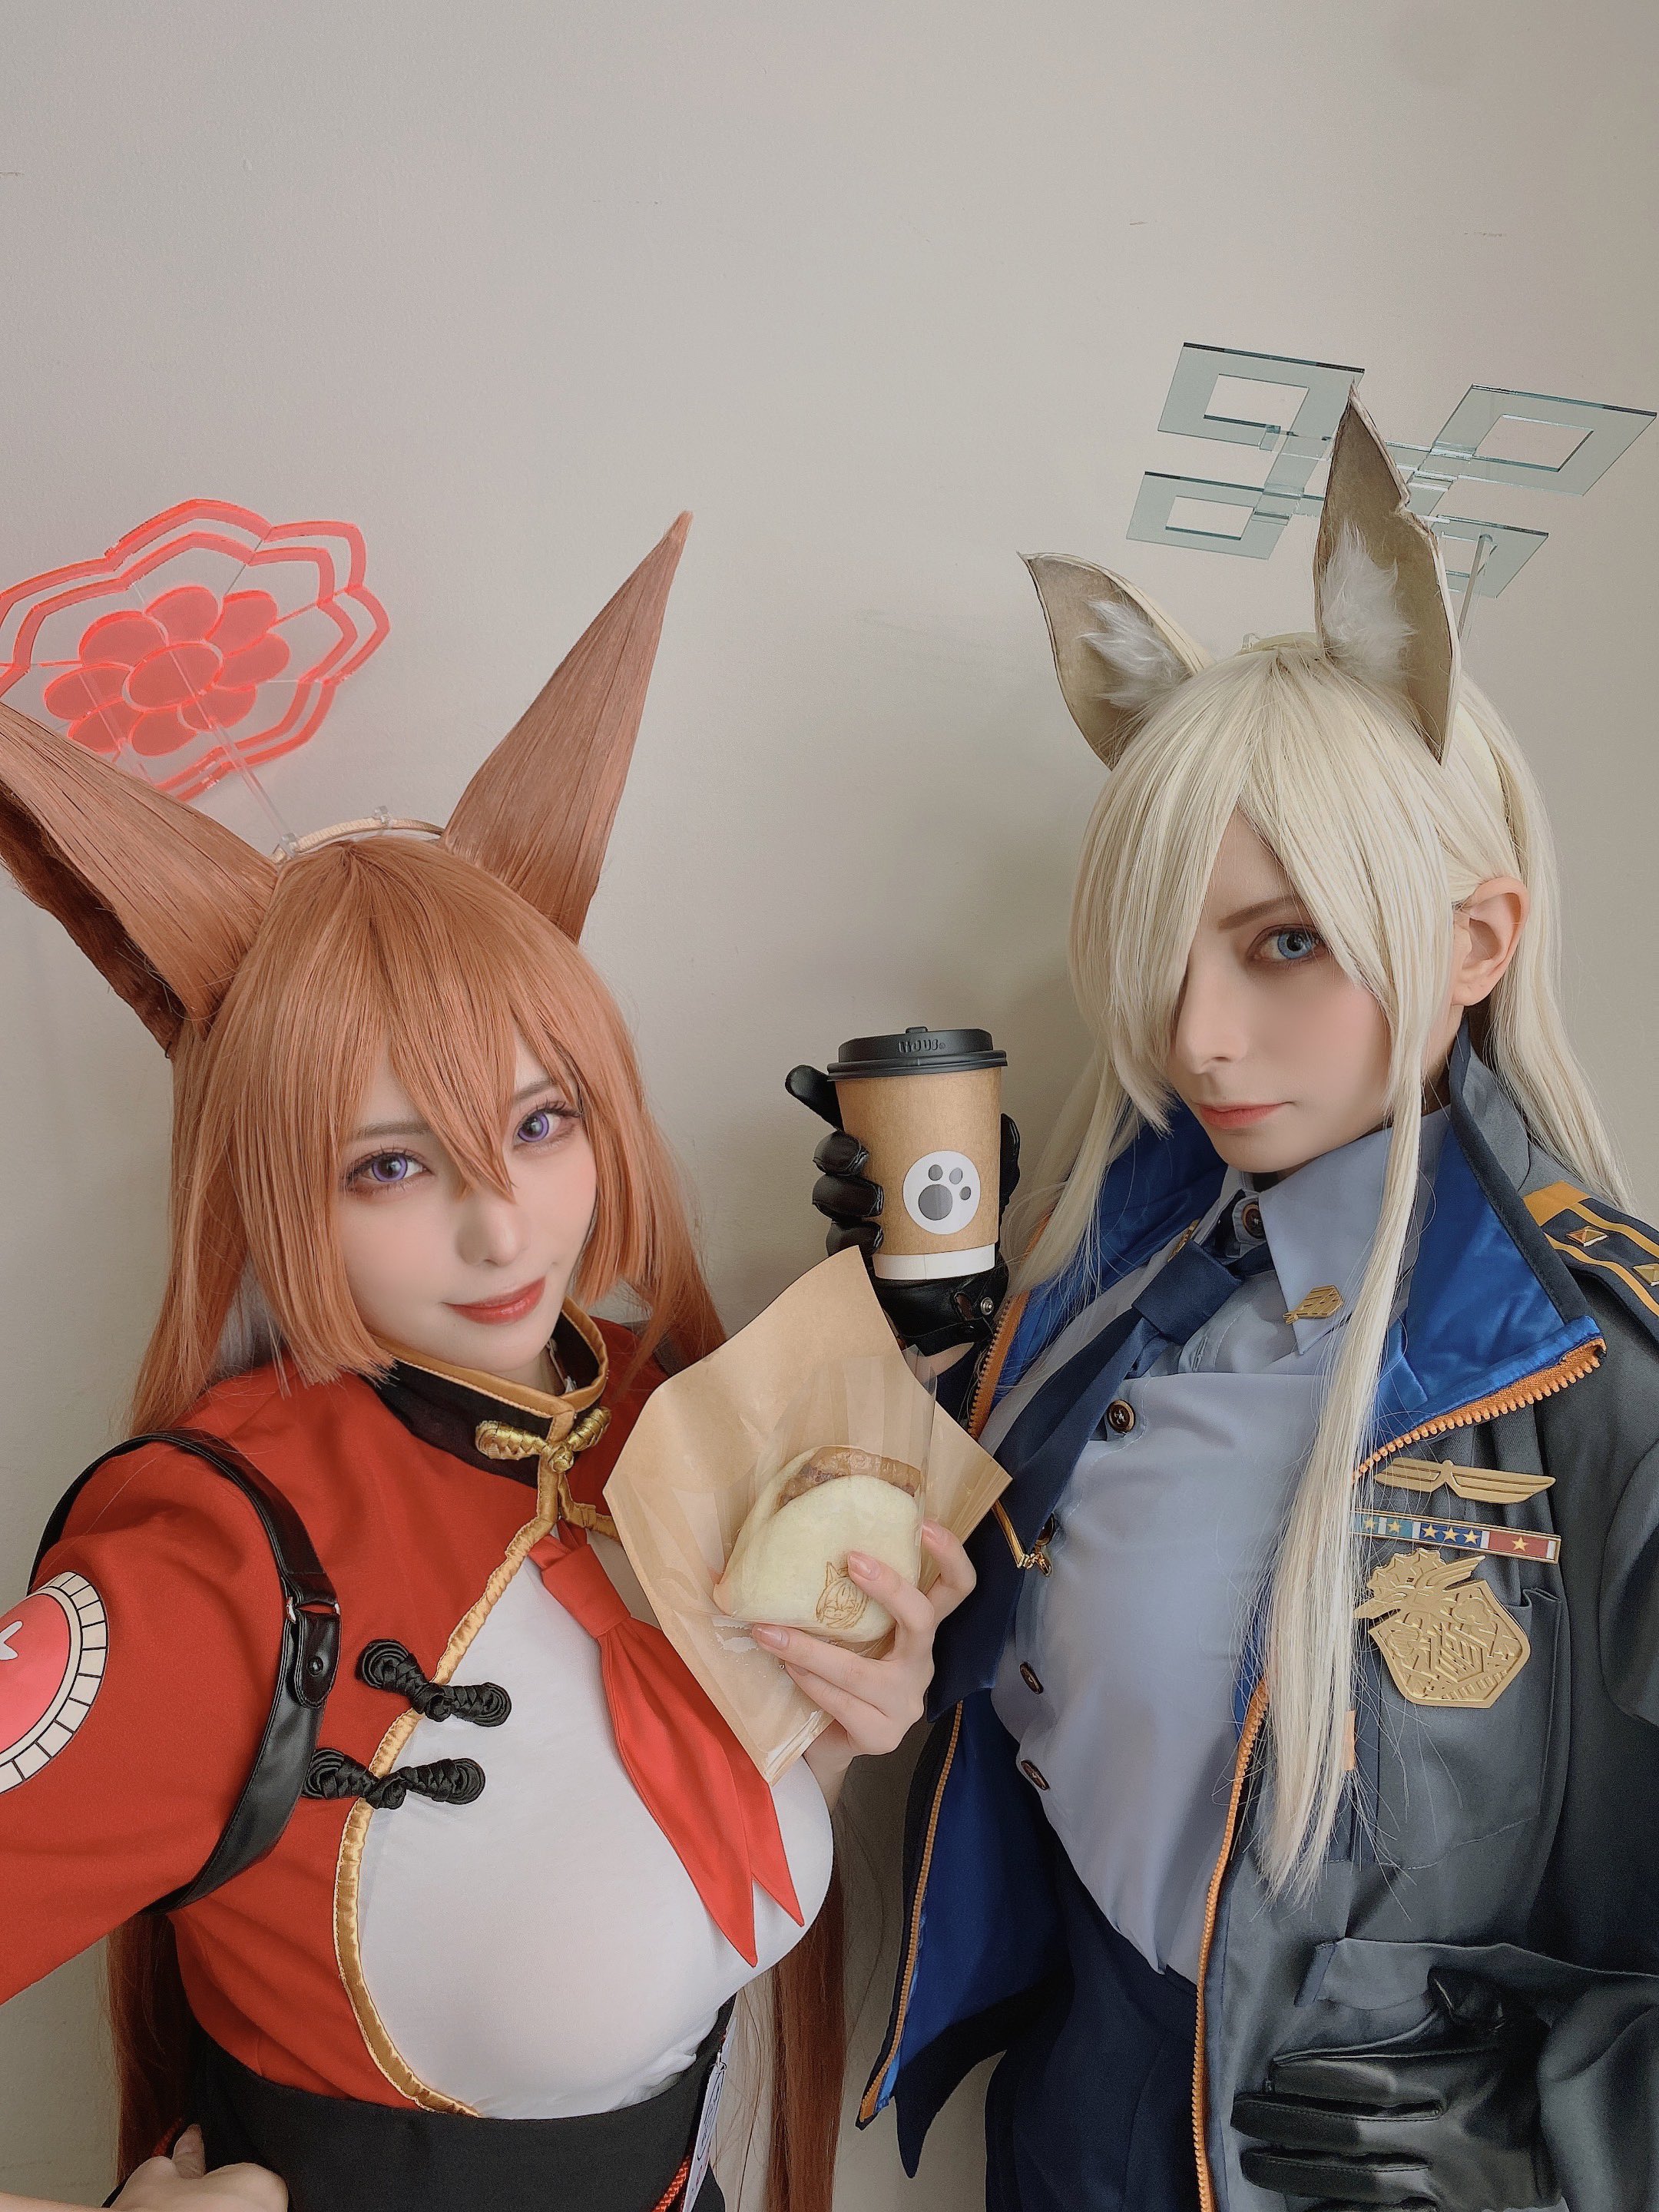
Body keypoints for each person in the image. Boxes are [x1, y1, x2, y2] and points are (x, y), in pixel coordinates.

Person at [0, 518, 972, 2212]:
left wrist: (837, 1726)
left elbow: (659, 1852)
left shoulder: (653, 1402)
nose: (502, 1227)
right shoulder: (213, 1567)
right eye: (391, 1165)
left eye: (540, 1123)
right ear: (270, 1192)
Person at [798, 398, 1659, 2210]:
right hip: (1082, 2103)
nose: (1196, 1037)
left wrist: (1563, 2132)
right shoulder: (1122, 1274)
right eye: (1165, 950)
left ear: (1475, 940)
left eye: (1284, 943)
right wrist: (917, 1337)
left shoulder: (1606, 1382)